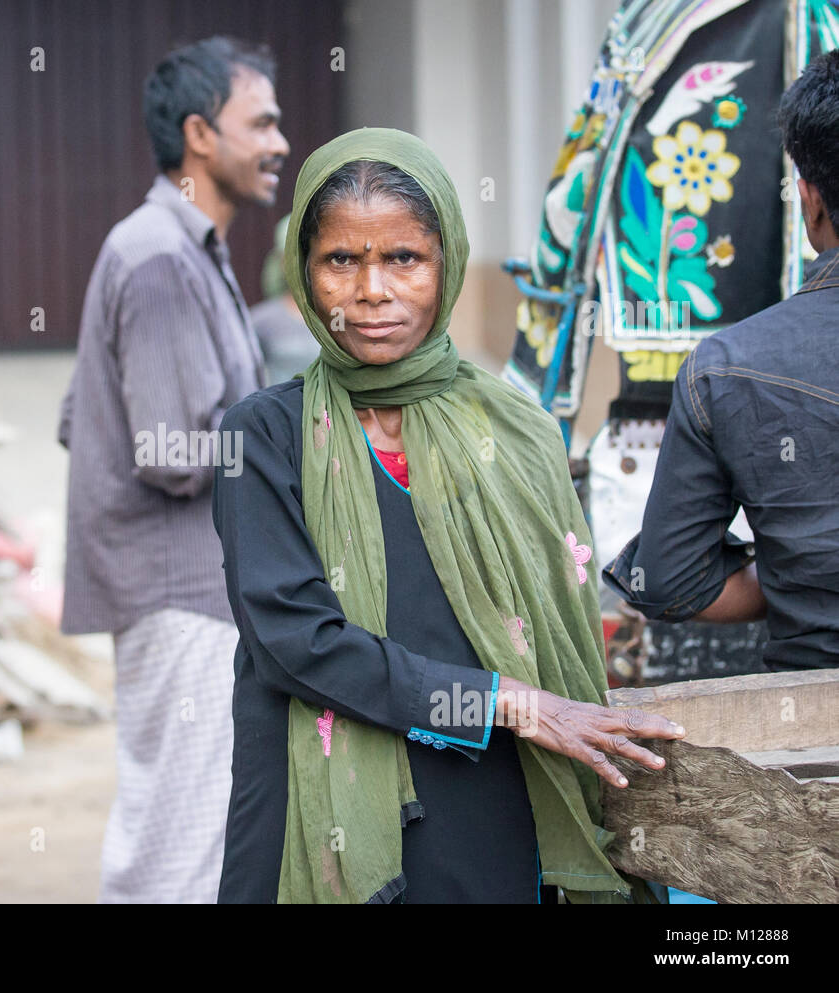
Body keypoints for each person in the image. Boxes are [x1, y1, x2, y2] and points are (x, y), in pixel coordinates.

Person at [212, 128, 684, 904]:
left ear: (447, 263)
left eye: (403, 258)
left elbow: (558, 630)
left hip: (491, 798)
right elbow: (296, 645)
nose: (371, 290)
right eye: (340, 260)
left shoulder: (517, 428)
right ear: (304, 273)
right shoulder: (263, 435)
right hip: (322, 809)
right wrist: (510, 703)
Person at [56, 36, 288, 903]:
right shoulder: (158, 256)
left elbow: (84, 415)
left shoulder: (186, 247)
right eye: (259, 122)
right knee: (178, 847)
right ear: (200, 134)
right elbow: (167, 451)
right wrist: (293, 442)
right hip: (176, 589)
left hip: (187, 586)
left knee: (191, 827)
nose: (279, 142)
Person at [603, 51, 839, 671]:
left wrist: (793, 577)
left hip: (807, 730)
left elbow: (668, 579)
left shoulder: (728, 366)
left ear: (810, 199)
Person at [250, 214, 320, 384]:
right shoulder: (260, 320)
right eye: (293, 256)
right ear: (281, 261)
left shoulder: (339, 317)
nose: (302, 263)